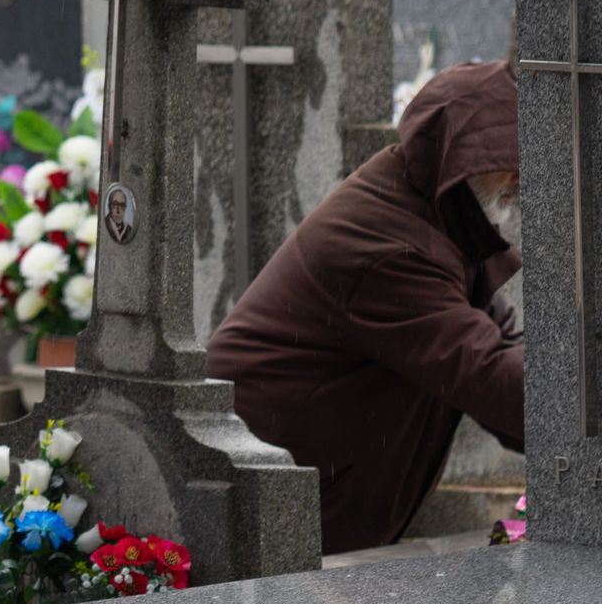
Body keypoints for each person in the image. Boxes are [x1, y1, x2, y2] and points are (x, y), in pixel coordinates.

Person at [206, 60, 522, 555]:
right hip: (250, 505)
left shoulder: (439, 217)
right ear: (460, 159)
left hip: (296, 496)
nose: (519, 179)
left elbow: (503, 353)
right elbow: (489, 378)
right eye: (507, 157)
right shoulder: (387, 246)